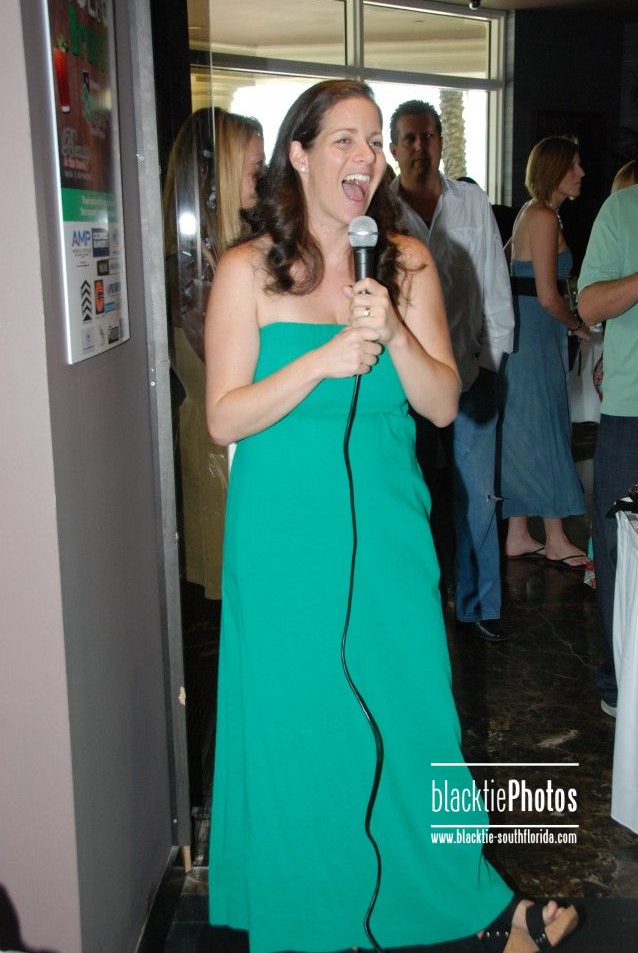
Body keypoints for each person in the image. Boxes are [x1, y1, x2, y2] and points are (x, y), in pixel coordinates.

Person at [204, 79, 578, 953]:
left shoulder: (404, 262)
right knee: (302, 722)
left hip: (388, 528)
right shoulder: (246, 269)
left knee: (416, 713)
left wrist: (395, 334)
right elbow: (224, 416)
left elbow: (444, 402)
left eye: (373, 141)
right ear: (299, 154)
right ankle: (313, 914)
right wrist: (324, 358)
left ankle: (470, 900)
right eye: (344, 139)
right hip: (283, 535)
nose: (366, 156)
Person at [388, 99, 514, 643]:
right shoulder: (381, 212)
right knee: (408, 493)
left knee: (477, 497)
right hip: (404, 383)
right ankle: (415, 603)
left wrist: (489, 364)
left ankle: (477, 605)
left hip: (469, 375)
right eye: (410, 138)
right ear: (394, 149)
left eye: (430, 136)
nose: (421, 147)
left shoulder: (471, 202)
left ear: (441, 143)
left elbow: (494, 285)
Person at [163, 107, 264, 600]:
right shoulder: (196, 272)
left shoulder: (212, 262)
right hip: (223, 456)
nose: (264, 182)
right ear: (219, 175)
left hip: (229, 449)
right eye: (255, 169)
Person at [577, 172, 638, 717]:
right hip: (635, 416)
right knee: (621, 550)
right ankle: (621, 683)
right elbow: (589, 306)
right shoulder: (623, 210)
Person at [498, 137, 591, 566]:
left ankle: (518, 533)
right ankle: (554, 538)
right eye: (573, 166)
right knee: (548, 428)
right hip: (536, 336)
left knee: (524, 431)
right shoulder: (543, 216)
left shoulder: (531, 213)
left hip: (527, 334)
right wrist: (577, 326)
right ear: (554, 170)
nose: (581, 173)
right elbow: (549, 297)